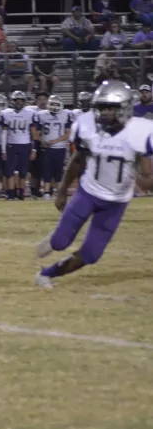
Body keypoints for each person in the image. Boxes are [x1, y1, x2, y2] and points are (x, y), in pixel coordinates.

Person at [35, 81, 153, 288]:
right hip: (88, 193)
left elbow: (148, 177)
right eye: (102, 107)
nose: (104, 113)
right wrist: (62, 190)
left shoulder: (142, 131)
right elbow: (78, 160)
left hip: (116, 202)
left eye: (110, 108)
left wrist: (139, 177)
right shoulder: (87, 124)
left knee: (91, 254)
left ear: (126, 108)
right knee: (60, 242)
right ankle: (55, 239)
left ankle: (46, 274)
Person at [0, 91, 38, 200]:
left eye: (21, 100)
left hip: (25, 144)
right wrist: (3, 150)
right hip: (11, 144)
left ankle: (21, 194)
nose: (19, 102)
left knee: (23, 171)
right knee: (9, 171)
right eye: (16, 100)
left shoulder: (30, 113)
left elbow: (33, 133)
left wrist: (34, 149)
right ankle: (11, 194)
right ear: (12, 101)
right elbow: (4, 133)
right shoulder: (6, 113)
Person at [36, 95, 72, 200]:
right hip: (47, 148)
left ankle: (59, 193)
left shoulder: (66, 114)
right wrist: (42, 141)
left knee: (58, 171)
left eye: (57, 104)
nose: (55, 106)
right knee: (47, 170)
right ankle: (47, 192)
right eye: (52, 104)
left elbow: (68, 134)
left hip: (60, 147)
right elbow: (37, 132)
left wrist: (55, 141)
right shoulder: (41, 114)